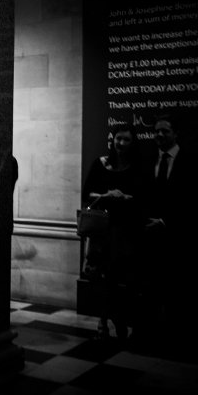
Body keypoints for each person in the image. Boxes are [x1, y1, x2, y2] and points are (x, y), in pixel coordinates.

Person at [134, 114, 198, 350]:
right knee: (151, 289)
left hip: (179, 238)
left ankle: (177, 340)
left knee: (178, 292)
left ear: (176, 134)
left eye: (165, 131)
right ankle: (149, 337)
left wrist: (166, 222)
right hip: (149, 237)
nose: (160, 135)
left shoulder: (191, 161)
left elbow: (195, 201)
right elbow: (143, 195)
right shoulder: (148, 159)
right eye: (156, 131)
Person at [81, 123, 142, 343]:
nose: (121, 143)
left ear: (132, 142)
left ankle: (119, 319)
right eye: (118, 138)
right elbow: (87, 193)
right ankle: (104, 321)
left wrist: (125, 198)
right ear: (112, 139)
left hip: (126, 230)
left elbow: (143, 197)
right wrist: (109, 195)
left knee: (123, 277)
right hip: (103, 230)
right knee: (102, 277)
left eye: (126, 139)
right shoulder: (101, 164)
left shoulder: (137, 166)